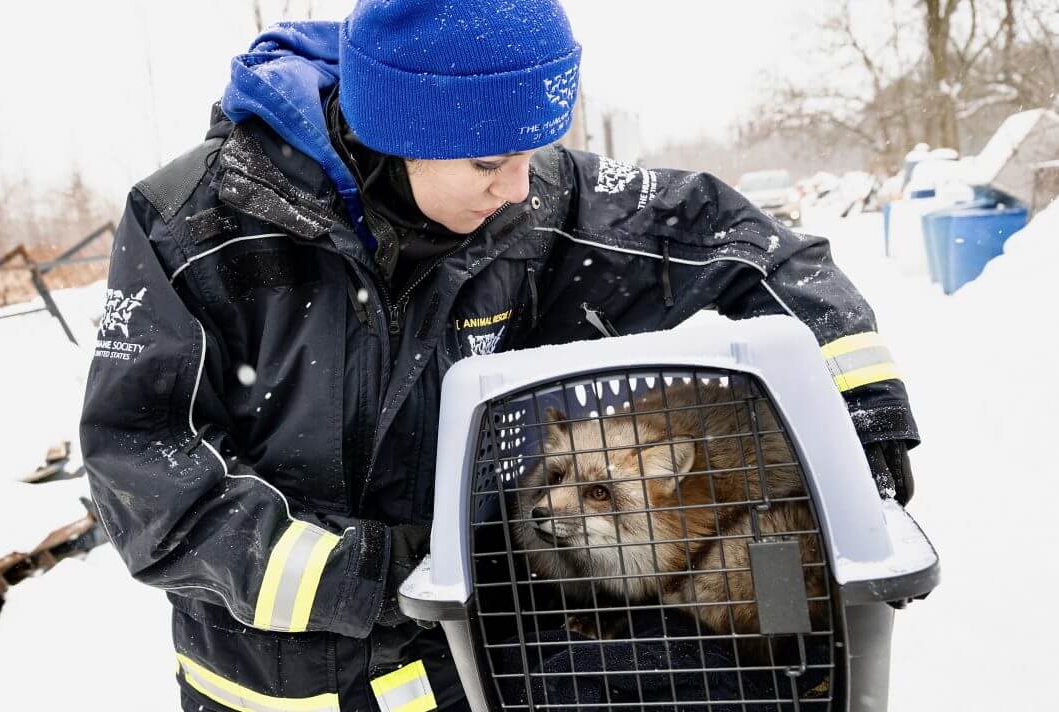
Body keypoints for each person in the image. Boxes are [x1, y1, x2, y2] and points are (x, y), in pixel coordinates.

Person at [80, 2, 918, 710]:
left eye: (532, 154)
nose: (519, 187)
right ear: (401, 133)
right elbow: (149, 486)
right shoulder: (192, 228)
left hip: (474, 664)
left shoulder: (529, 203)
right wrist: (369, 571)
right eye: (491, 162)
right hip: (283, 687)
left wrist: (862, 411)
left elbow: (752, 247)